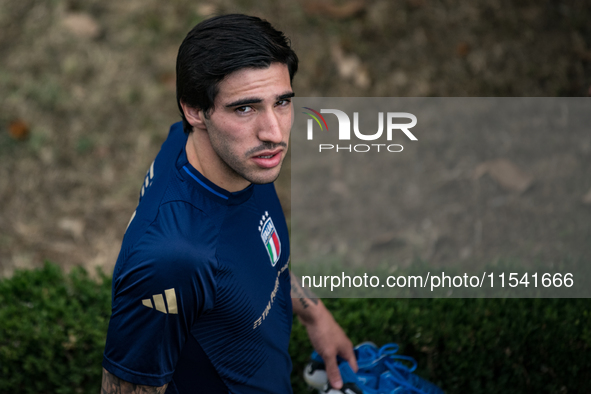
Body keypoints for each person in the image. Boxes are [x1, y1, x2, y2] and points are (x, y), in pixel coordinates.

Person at [101, 14, 357, 394]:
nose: (274, 133)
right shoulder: (172, 262)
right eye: (245, 109)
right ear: (194, 110)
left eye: (282, 102)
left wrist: (316, 315)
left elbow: (256, 261)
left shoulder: (230, 158)